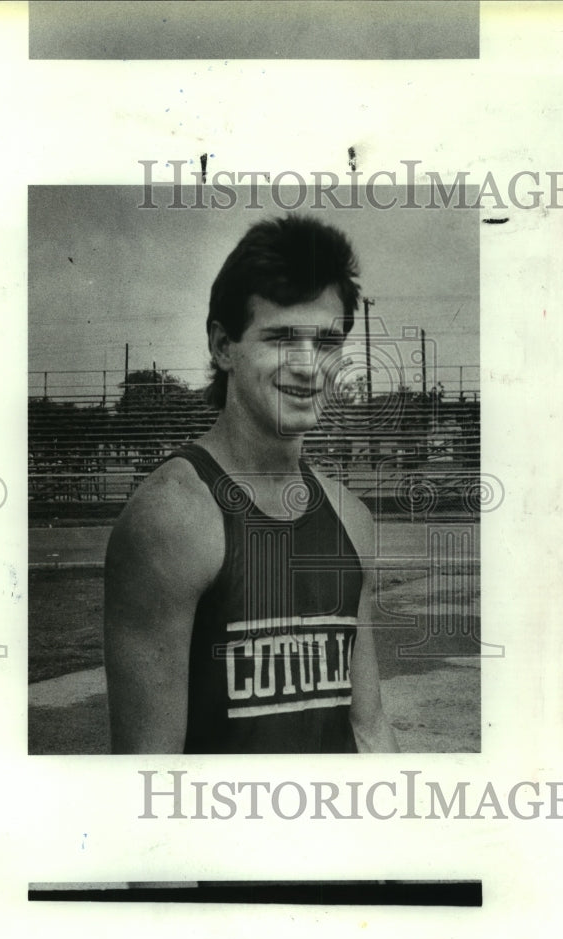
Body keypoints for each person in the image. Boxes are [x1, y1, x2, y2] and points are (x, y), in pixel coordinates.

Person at [104, 215, 399, 754]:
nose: (309, 367)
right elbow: (147, 771)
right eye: (282, 337)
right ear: (223, 345)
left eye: (327, 341)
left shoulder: (350, 517)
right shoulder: (172, 518)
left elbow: (368, 728)